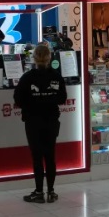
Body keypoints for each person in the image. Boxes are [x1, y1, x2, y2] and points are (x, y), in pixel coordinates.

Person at [14, 44, 67, 203]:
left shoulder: (27, 77)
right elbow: (62, 98)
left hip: (33, 121)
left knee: (37, 157)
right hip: (51, 120)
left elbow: (18, 99)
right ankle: (51, 191)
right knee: (50, 156)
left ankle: (38, 192)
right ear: (50, 57)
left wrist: (32, 104)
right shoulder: (57, 77)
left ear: (34, 58)